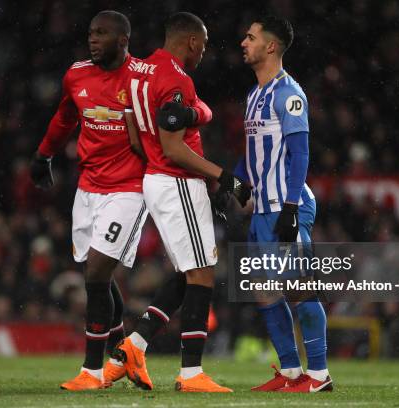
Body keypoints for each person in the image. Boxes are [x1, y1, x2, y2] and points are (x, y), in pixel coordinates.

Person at [111, 12, 250, 393]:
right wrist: (224, 177)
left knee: (190, 272)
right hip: (176, 183)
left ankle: (134, 346)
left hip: (158, 180)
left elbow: (137, 136)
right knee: (203, 272)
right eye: (203, 46)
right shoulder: (176, 78)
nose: (204, 53)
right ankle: (191, 374)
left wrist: (197, 114)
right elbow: (174, 148)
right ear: (191, 41)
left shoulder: (139, 70)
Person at [30, 10, 148, 391]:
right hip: (89, 188)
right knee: (98, 275)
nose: (93, 40)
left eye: (102, 34)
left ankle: (93, 372)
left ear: (123, 40)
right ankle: (123, 354)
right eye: (91, 33)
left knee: (95, 274)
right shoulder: (77, 74)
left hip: (129, 189)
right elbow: (65, 116)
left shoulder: (141, 79)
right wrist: (44, 154)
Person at [234, 16, 332, 392]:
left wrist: (290, 208)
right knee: (263, 289)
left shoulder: (288, 93)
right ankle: (291, 372)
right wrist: (238, 183)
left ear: (270, 46)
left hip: (286, 206)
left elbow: (300, 152)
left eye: (250, 37)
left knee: (299, 285)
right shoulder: (254, 94)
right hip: (262, 209)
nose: (244, 42)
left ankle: (320, 376)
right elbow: (252, 151)